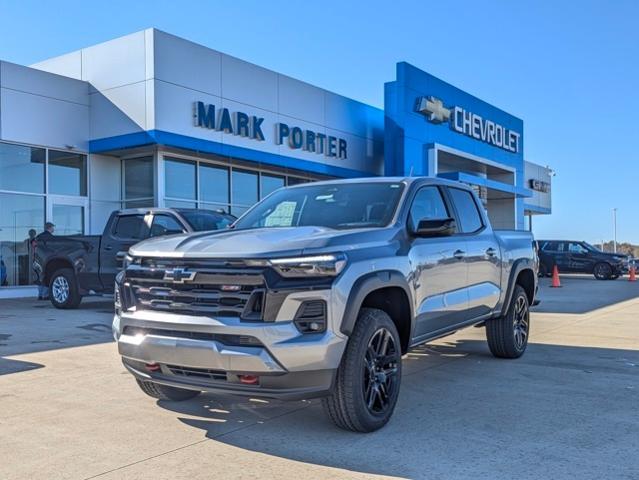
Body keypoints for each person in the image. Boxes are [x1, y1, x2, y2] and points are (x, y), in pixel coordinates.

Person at [35, 223, 55, 300]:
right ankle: (45, 295)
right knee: (48, 276)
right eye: (53, 227)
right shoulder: (50, 237)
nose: (53, 229)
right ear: (50, 228)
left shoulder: (38, 236)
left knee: (40, 277)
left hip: (39, 259)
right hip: (47, 259)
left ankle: (40, 295)